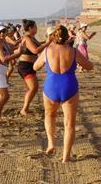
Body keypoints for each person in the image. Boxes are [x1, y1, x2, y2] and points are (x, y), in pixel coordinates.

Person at [33, 25, 94, 163]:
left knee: (49, 115)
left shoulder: (47, 51)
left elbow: (35, 67)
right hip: (69, 86)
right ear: (67, 37)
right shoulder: (73, 51)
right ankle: (66, 157)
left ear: (54, 37)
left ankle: (51, 143)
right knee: (69, 124)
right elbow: (89, 66)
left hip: (51, 86)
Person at [0, 25, 23, 124]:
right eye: (0, 32)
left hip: (2, 69)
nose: (2, 33)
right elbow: (3, 58)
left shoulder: (5, 43)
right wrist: (19, 53)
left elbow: (13, 49)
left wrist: (20, 47)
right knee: (5, 96)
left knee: (2, 96)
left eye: (4, 31)